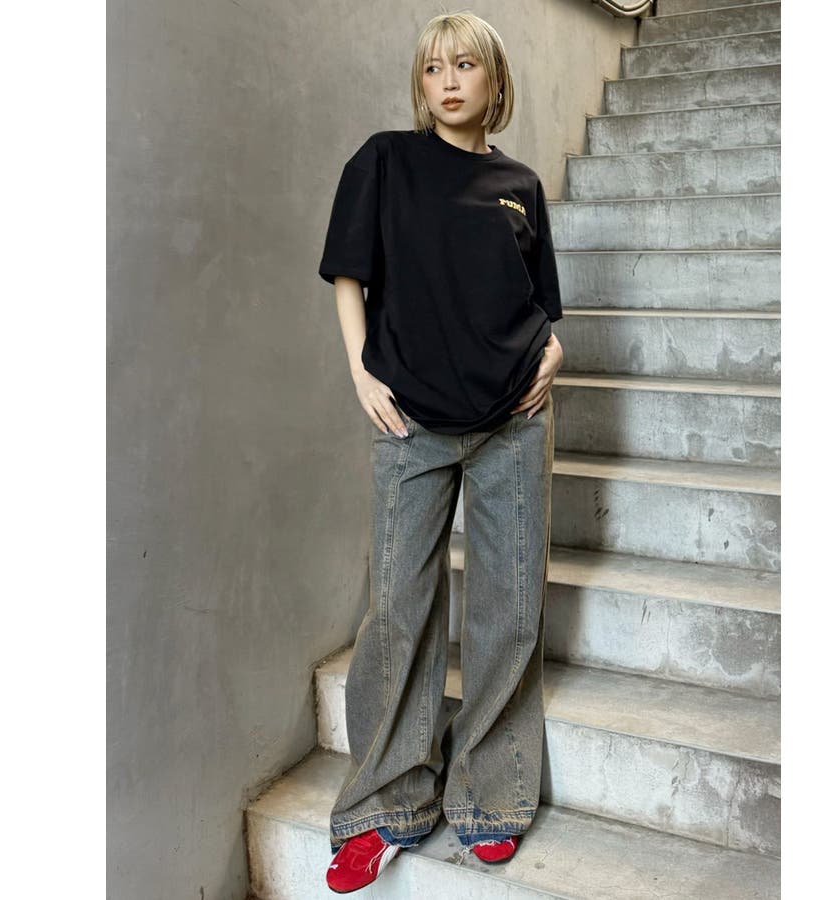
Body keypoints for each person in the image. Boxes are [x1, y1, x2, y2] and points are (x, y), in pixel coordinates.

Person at [317, 11, 563, 894]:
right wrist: (360, 372)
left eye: (464, 65)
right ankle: (388, 804)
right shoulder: (384, 162)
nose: (448, 81)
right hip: (410, 421)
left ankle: (492, 796)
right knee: (398, 611)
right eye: (432, 68)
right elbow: (350, 274)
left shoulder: (520, 184)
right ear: (420, 85)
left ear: (495, 80)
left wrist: (554, 352)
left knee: (509, 607)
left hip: (513, 420)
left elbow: (541, 301)